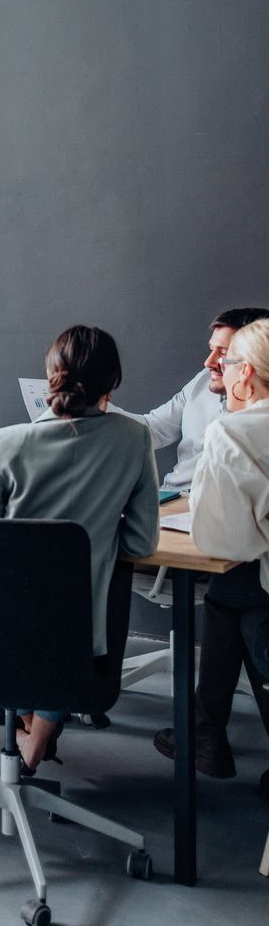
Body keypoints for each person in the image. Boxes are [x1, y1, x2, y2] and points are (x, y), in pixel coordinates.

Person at [0, 325, 159, 773]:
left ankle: (29, 740)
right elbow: (141, 541)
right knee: (57, 650)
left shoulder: (1, 443)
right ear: (113, 383)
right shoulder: (134, 439)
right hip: (81, 636)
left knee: (24, 638)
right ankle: (34, 741)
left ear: (49, 375)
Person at [154, 319, 269, 794]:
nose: (213, 367)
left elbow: (221, 544)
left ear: (244, 375)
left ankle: (204, 735)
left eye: (225, 360)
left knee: (232, 591)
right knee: (236, 594)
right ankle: (204, 734)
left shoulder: (235, 432)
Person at [113, 307, 269, 489]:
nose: (209, 362)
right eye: (211, 349)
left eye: (224, 353)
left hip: (222, 504)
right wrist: (94, 405)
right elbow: (153, 429)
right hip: (173, 497)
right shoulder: (203, 380)